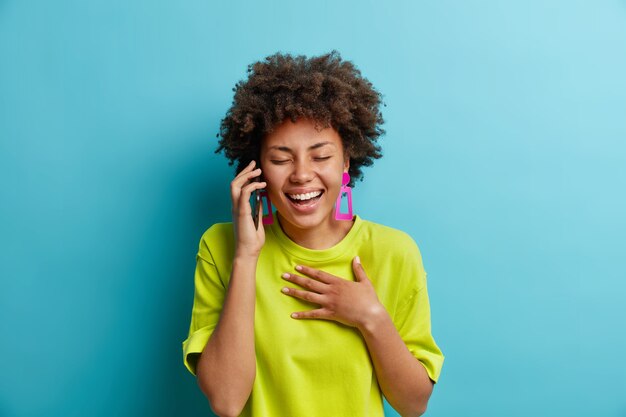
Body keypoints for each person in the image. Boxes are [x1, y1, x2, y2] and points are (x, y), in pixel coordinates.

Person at [182, 51, 444, 417]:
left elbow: (413, 404)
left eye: (320, 156)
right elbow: (226, 402)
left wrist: (371, 316)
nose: (302, 174)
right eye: (280, 158)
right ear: (256, 168)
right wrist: (246, 256)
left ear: (346, 161)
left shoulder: (394, 251)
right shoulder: (220, 246)